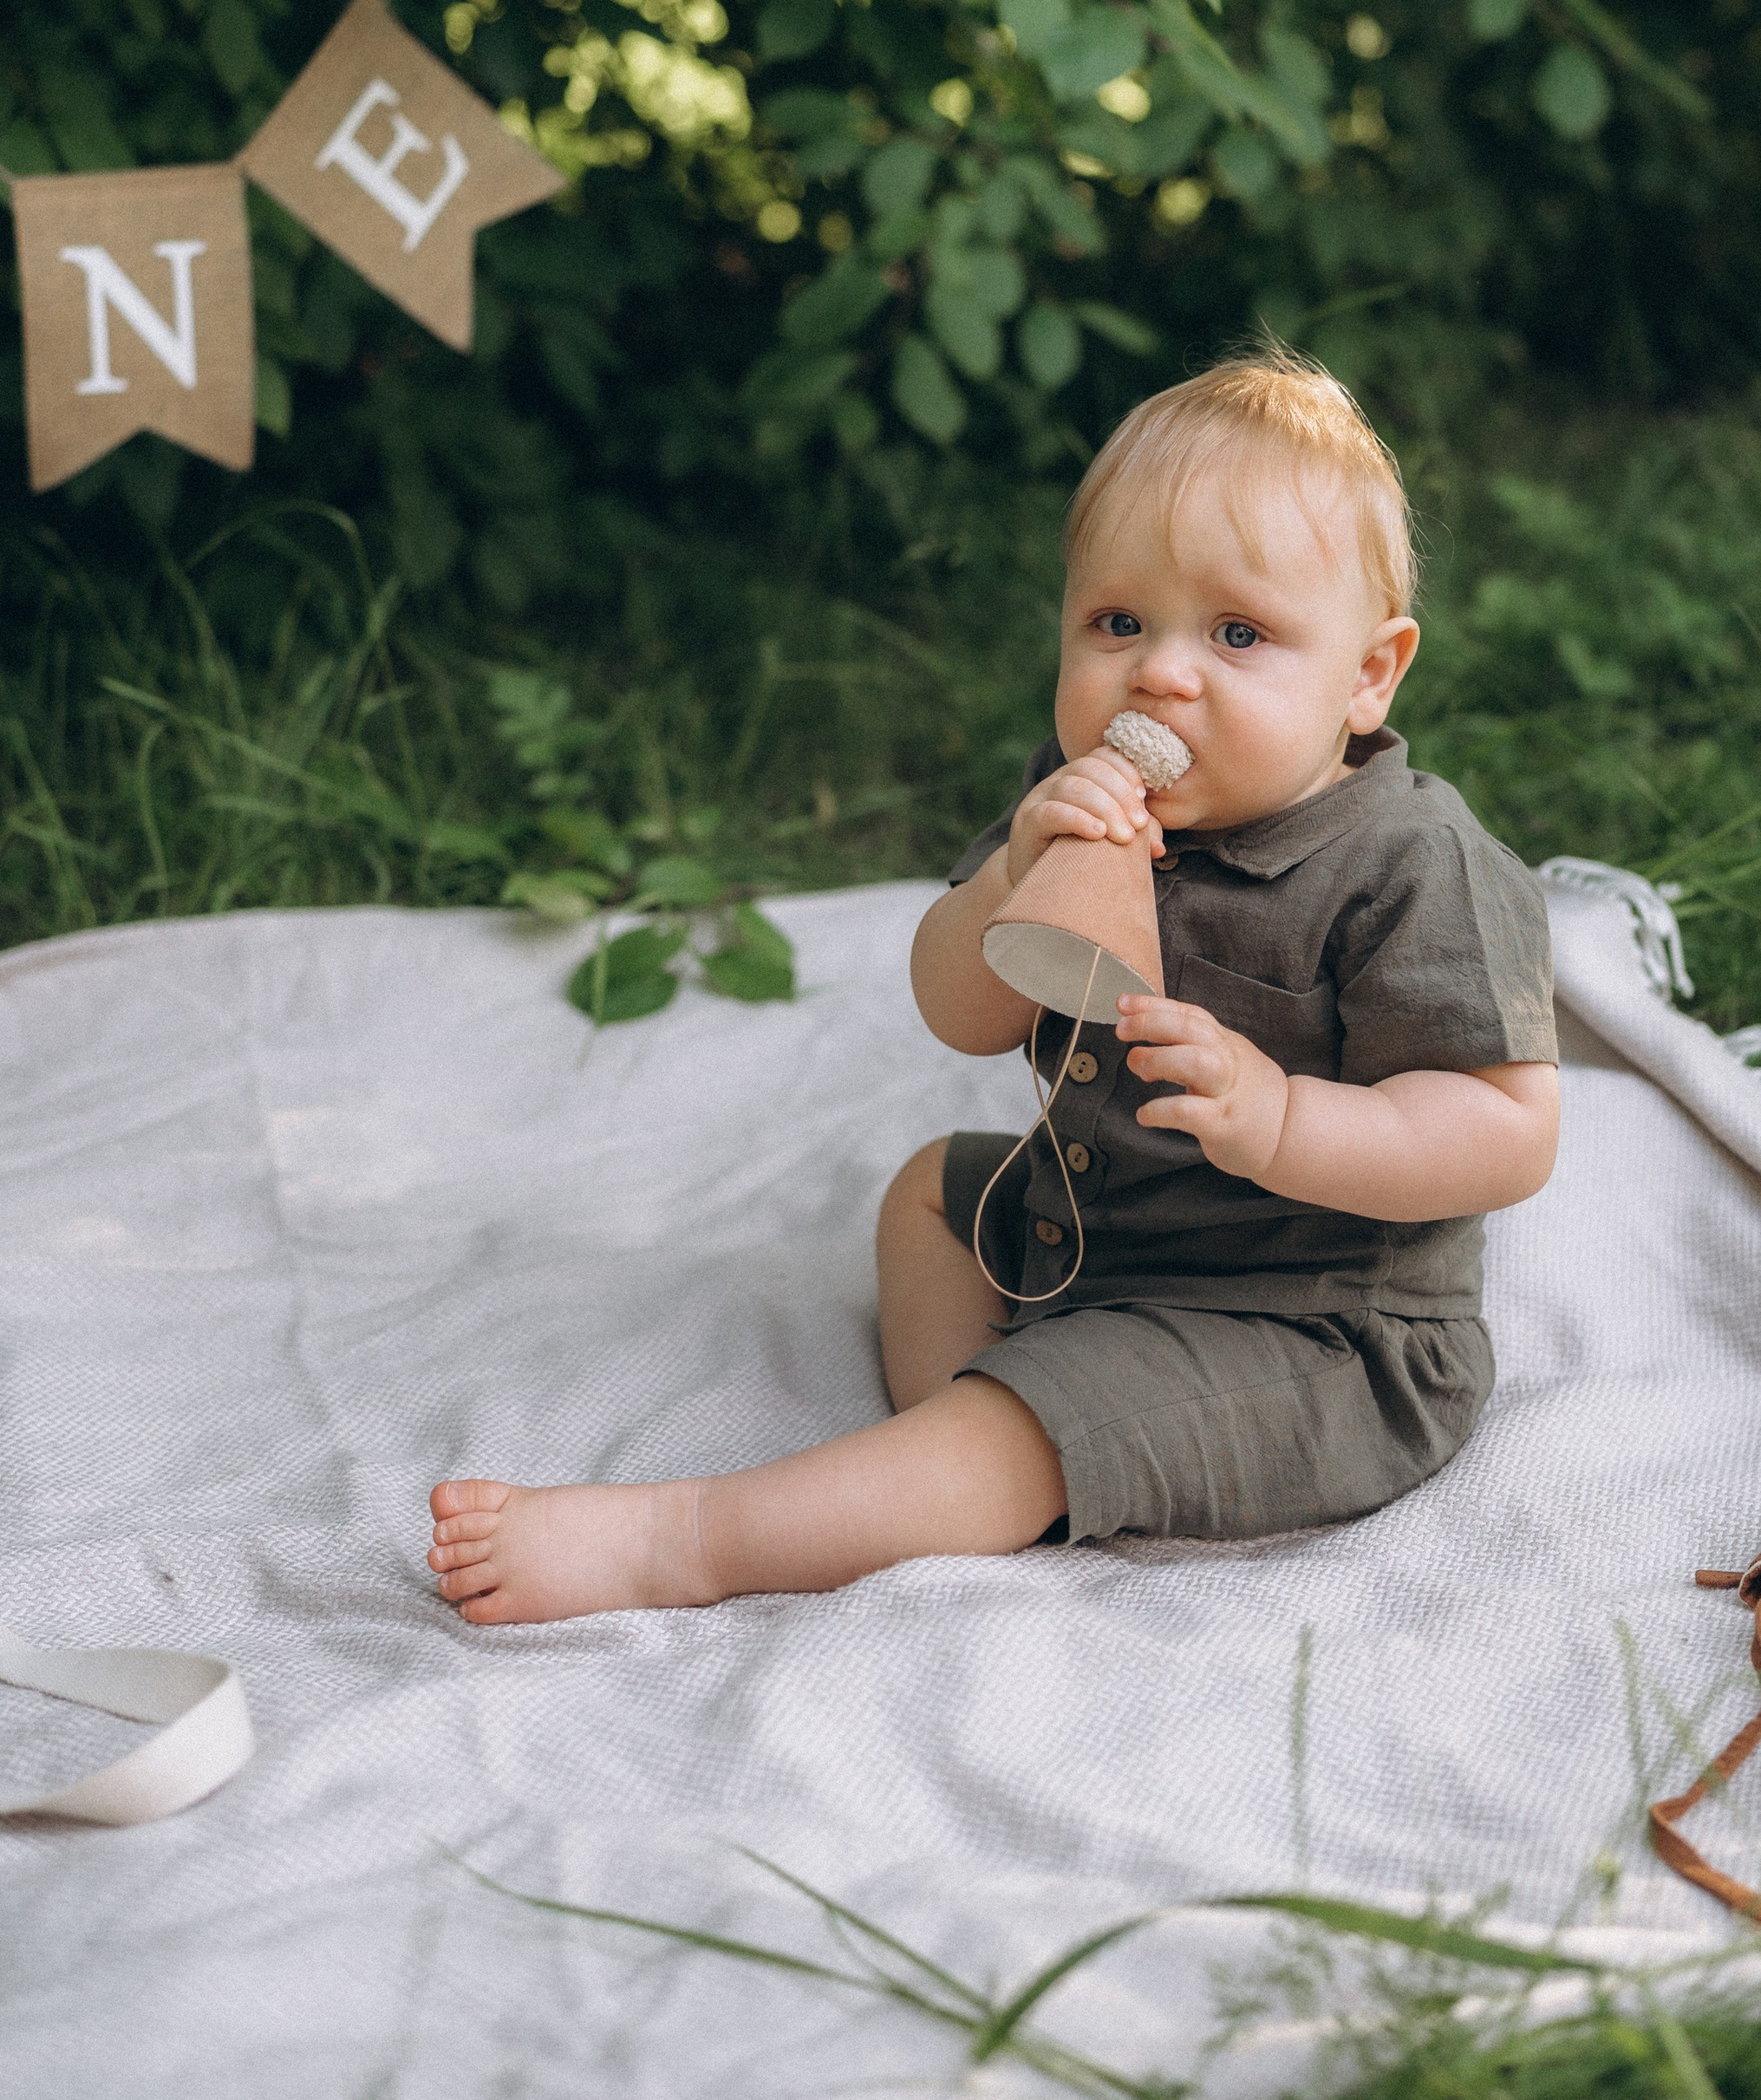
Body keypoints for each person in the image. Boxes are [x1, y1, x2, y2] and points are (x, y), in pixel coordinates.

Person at [427, 344, 1560, 1622]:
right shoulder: (1077, 805)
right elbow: (958, 1010)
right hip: (1105, 1235)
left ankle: (692, 1538)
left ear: (1369, 675)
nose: (1162, 674)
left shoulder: (1412, 864)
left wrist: (1283, 1119)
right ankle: (974, 1447)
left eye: (1238, 634)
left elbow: (1509, 1134)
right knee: (930, 1197)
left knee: (1027, 1427)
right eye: (1117, 624)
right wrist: (1012, 871)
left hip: (1310, 1329)